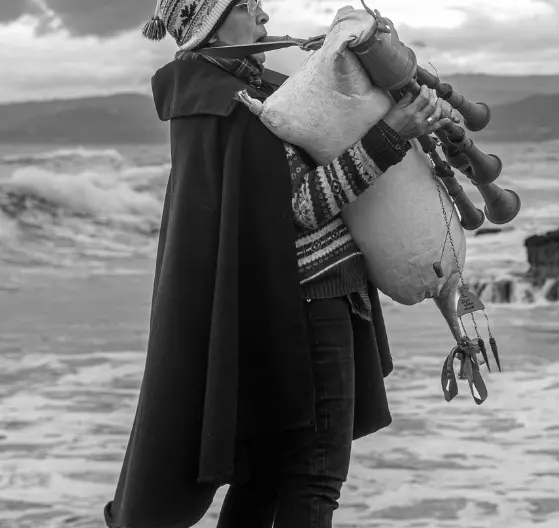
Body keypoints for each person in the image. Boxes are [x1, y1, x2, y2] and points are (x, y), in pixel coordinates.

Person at [103, 1, 451, 527]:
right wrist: (390, 136)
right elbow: (299, 208)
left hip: (280, 308)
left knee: (265, 478)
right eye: (246, 6)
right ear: (207, 27)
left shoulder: (221, 96)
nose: (263, 16)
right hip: (308, 305)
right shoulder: (234, 105)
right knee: (313, 477)